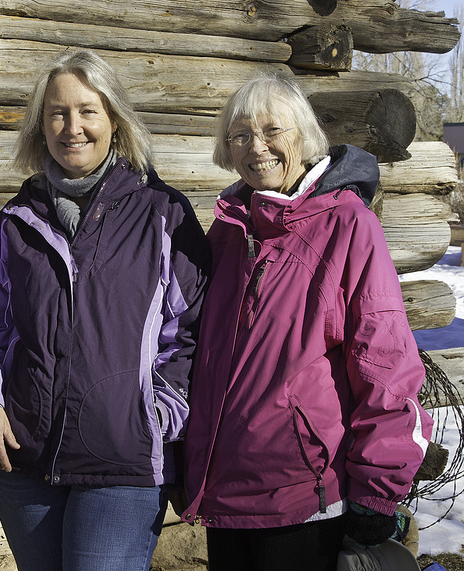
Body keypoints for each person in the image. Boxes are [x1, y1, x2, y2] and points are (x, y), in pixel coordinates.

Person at [0, 49, 210, 571]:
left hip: (123, 460)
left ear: (115, 121)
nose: (71, 127)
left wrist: (155, 414)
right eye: (57, 113)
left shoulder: (162, 212)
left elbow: (189, 330)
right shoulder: (17, 220)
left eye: (87, 111)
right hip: (25, 458)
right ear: (40, 126)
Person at [180, 74, 434, 571]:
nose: (258, 148)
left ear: (305, 135)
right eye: (240, 135)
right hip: (224, 493)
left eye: (273, 130)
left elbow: (384, 360)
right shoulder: (229, 230)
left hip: (305, 493)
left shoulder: (347, 223)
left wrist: (379, 489)